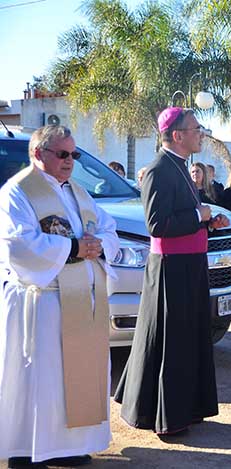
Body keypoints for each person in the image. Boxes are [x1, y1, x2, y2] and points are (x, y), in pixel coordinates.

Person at [0, 125, 119, 468]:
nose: (70, 162)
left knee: (76, 379)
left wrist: (98, 245)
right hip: (41, 301)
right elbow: (17, 245)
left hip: (81, 301)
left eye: (74, 155)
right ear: (38, 153)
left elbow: (108, 228)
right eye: (63, 154)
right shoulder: (18, 192)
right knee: (41, 379)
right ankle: (27, 450)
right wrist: (73, 248)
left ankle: (66, 446)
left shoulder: (78, 192)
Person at [114, 107, 229, 436]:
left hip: (190, 267)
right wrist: (199, 216)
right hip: (170, 271)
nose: (201, 133)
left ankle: (187, 409)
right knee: (171, 344)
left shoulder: (181, 167)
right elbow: (158, 225)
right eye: (196, 129)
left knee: (189, 341)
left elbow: (188, 216)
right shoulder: (158, 170)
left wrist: (209, 222)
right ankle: (165, 416)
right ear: (177, 135)